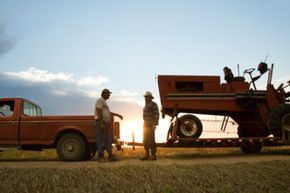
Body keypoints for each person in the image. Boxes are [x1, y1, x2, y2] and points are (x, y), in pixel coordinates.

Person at [95, 88, 123, 162]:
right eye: (108, 94)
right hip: (102, 122)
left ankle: (111, 156)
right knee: (101, 140)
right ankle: (100, 157)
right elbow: (99, 110)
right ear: (104, 93)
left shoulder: (104, 102)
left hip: (106, 124)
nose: (109, 95)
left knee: (108, 140)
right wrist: (101, 123)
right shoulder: (100, 100)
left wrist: (117, 115)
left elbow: (108, 112)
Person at [140, 91, 159, 161]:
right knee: (145, 140)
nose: (145, 98)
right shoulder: (146, 105)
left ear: (150, 98)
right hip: (145, 124)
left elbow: (156, 114)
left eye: (147, 97)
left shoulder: (153, 104)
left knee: (151, 140)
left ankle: (153, 155)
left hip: (151, 123)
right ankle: (147, 154)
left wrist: (155, 124)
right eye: (145, 97)